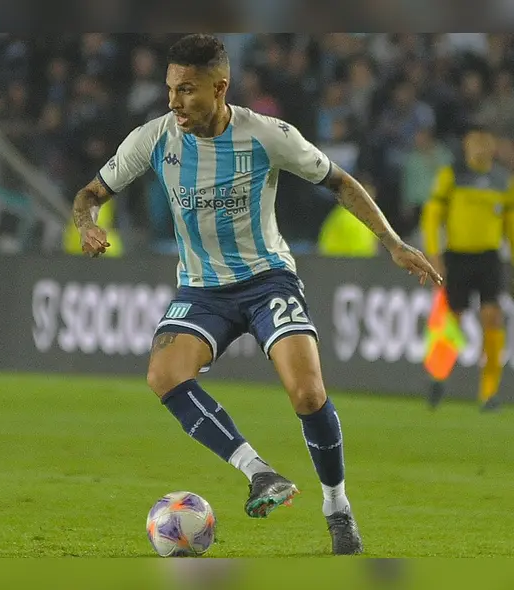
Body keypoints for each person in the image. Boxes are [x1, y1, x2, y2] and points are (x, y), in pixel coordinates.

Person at [71, 34, 441, 556]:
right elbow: (91, 192)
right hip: (202, 289)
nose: (174, 102)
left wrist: (395, 243)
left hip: (268, 278)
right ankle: (259, 471)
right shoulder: (153, 139)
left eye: (187, 91)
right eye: (170, 89)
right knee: (162, 373)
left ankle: (337, 506)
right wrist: (87, 223)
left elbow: (339, 181)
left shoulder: (266, 135)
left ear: (220, 87)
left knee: (308, 393)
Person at [421, 125, 514, 412]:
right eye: (475, 142)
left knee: (493, 318)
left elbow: (510, 225)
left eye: (486, 142)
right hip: (457, 257)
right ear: (466, 145)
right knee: (453, 320)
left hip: (489, 258)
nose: (481, 147)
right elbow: (432, 216)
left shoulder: (503, 181)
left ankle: (489, 393)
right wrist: (434, 254)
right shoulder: (451, 176)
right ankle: (438, 376)